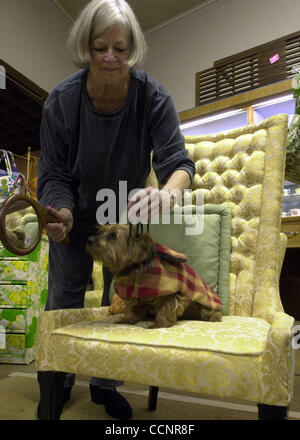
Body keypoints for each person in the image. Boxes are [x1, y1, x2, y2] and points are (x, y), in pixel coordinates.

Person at [37, 0, 195, 420]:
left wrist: (167, 194)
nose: (110, 57)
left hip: (126, 220)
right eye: (100, 47)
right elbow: (52, 175)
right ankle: (57, 382)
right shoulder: (60, 103)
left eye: (120, 49)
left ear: (133, 50)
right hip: (76, 217)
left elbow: (179, 164)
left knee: (120, 299)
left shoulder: (152, 96)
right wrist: (63, 213)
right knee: (63, 297)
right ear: (85, 48)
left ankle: (105, 385)